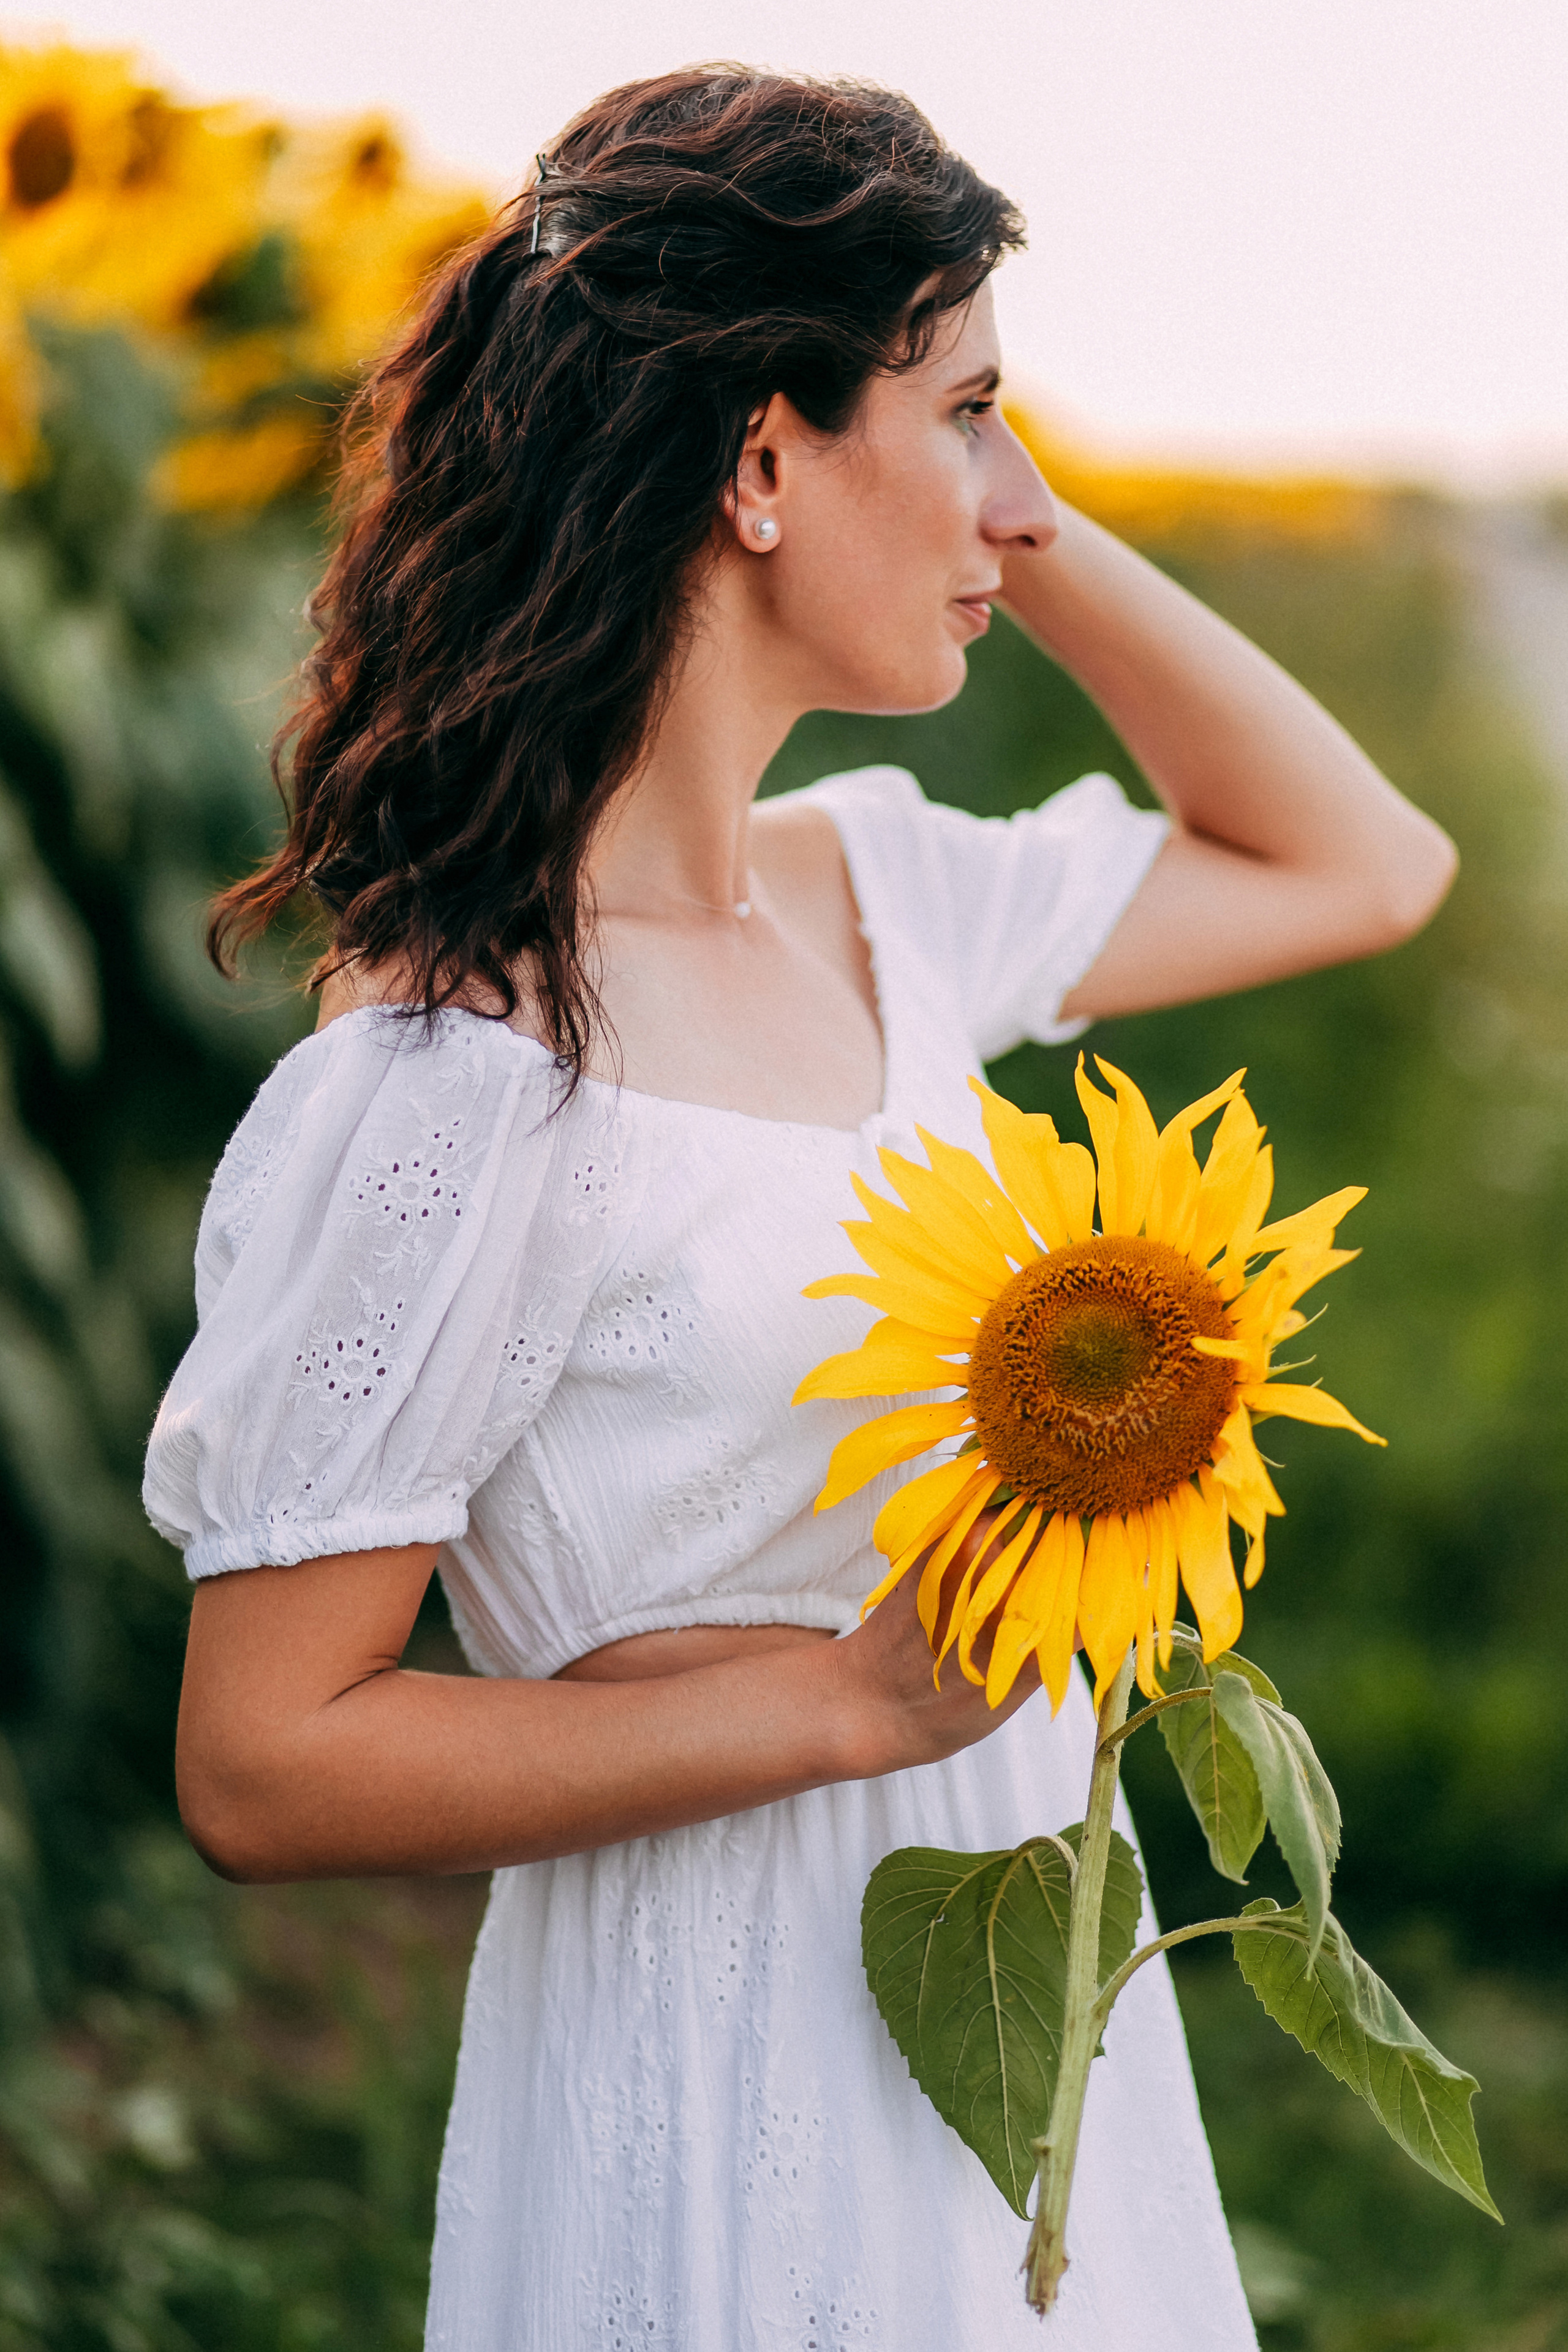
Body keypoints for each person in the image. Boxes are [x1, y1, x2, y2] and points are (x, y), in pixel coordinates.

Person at [145, 67, 1455, 2351]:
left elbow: (1365, 862)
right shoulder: (470, 1067)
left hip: (1035, 2017)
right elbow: (266, 1758)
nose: (1007, 492)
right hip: (707, 2045)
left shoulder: (884, 902)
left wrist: (1004, 511)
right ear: (760, 461)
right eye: (963, 411)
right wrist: (852, 1709)